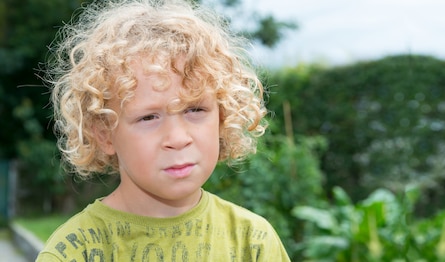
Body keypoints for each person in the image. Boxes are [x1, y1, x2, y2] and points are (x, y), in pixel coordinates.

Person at [36, 0, 290, 261]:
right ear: (104, 134)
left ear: (222, 116)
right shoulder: (74, 252)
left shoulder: (254, 242)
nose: (178, 139)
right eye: (148, 117)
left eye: (195, 110)